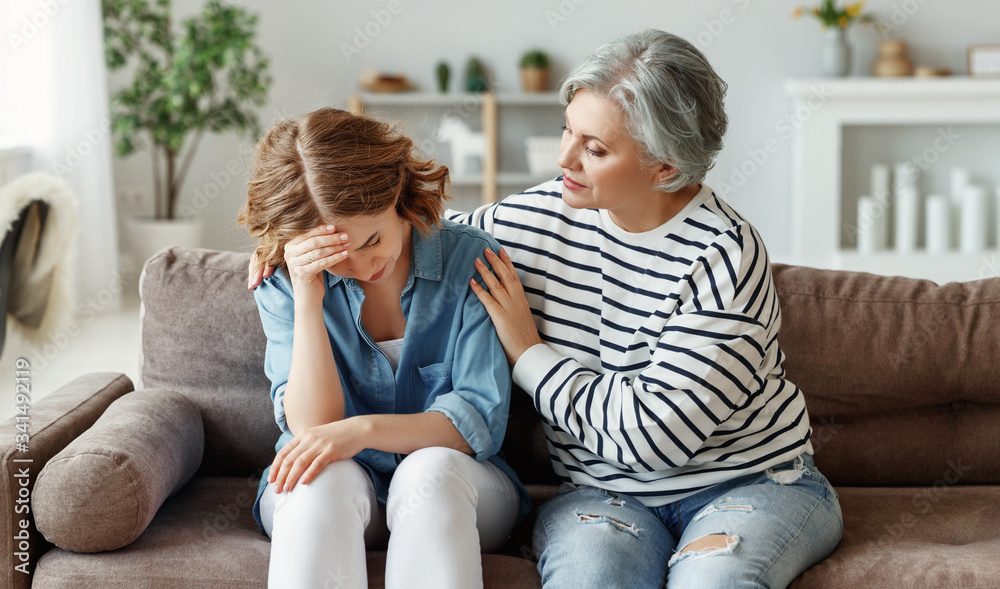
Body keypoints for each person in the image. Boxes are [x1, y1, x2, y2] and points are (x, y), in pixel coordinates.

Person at [250, 29, 843, 588]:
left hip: (748, 484)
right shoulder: (538, 218)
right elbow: (416, 231)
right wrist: (281, 243)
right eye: (567, 131)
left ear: (664, 166)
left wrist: (528, 352)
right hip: (603, 497)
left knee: (713, 580)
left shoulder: (724, 257)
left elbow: (654, 441)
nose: (564, 159)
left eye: (594, 148)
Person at [238, 107, 528, 589]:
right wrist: (310, 298)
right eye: (337, 256)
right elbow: (312, 431)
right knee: (317, 476)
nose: (363, 264)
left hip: (461, 487)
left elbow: (476, 423)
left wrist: (362, 431)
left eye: (373, 238)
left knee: (428, 472)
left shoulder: (470, 260)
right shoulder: (285, 280)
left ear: (395, 193)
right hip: (343, 492)